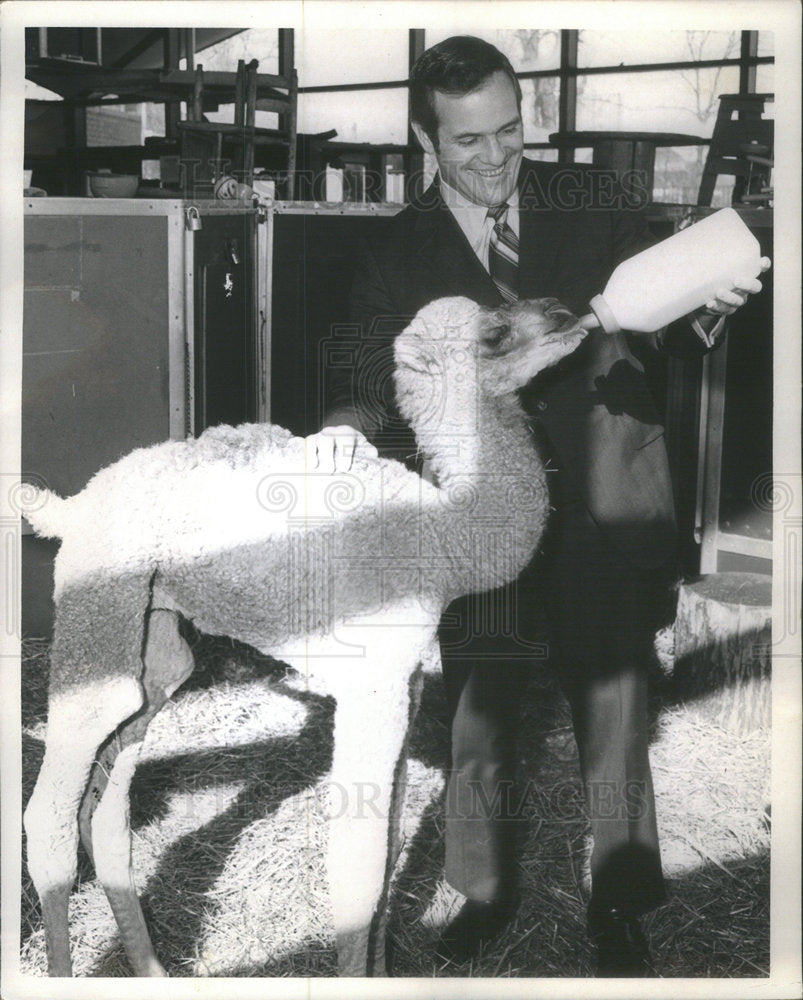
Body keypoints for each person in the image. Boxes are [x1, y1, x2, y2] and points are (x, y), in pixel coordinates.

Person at [314, 35, 769, 976]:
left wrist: (713, 302)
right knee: (479, 717)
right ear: (423, 137)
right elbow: (368, 375)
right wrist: (340, 439)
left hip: (608, 504)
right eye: (469, 141)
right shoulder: (396, 252)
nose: (495, 158)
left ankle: (621, 899)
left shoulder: (593, 198)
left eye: (510, 132)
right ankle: (483, 894)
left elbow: (678, 323)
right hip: (483, 525)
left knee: (615, 709)